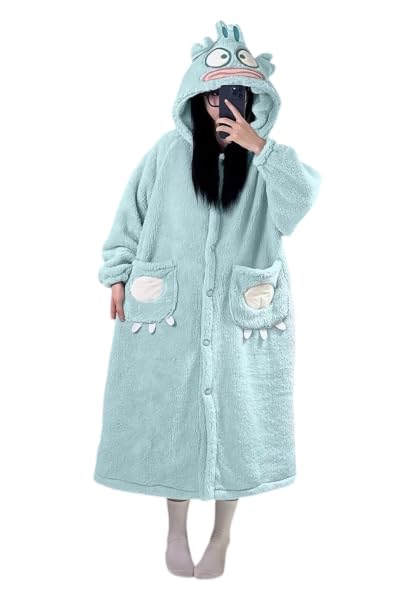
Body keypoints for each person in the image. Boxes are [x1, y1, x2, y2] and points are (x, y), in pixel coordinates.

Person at [93, 20, 322, 579]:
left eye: (239, 95)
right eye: (216, 94)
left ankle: (222, 536)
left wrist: (257, 146)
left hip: (242, 316)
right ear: (197, 97)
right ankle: (175, 529)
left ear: (254, 101)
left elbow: (300, 202)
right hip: (169, 314)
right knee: (171, 414)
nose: (226, 105)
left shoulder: (268, 163)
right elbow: (130, 217)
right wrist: (118, 275)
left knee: (237, 421)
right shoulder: (167, 154)